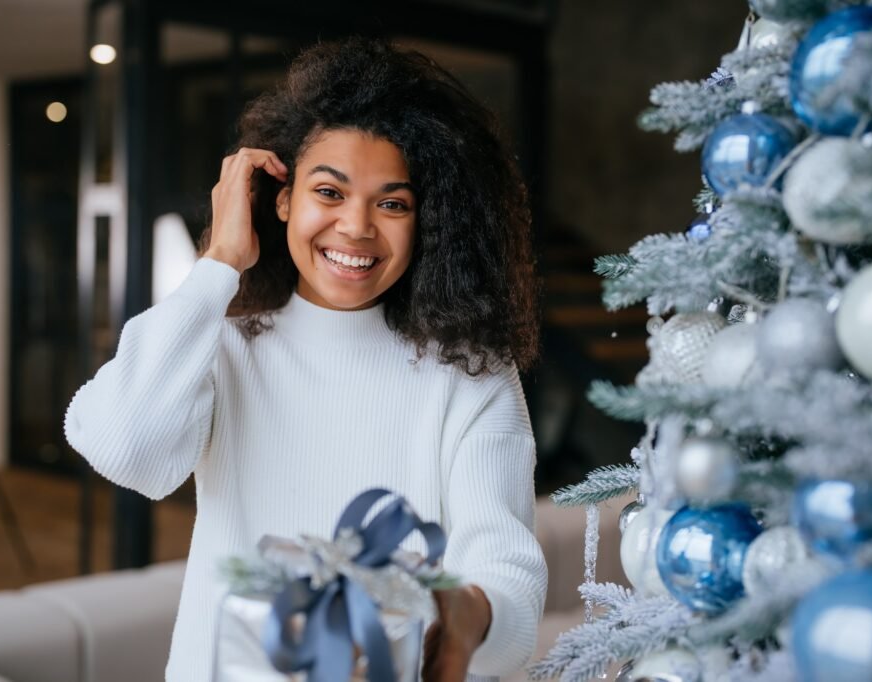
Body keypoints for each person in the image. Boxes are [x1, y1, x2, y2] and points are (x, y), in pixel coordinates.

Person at [64, 36, 546, 682]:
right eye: (329, 192)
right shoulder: (225, 345)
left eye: (393, 203)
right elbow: (124, 447)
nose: (356, 226)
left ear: (427, 220)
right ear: (282, 199)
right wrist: (219, 264)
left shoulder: (468, 372)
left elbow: (505, 564)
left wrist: (460, 616)